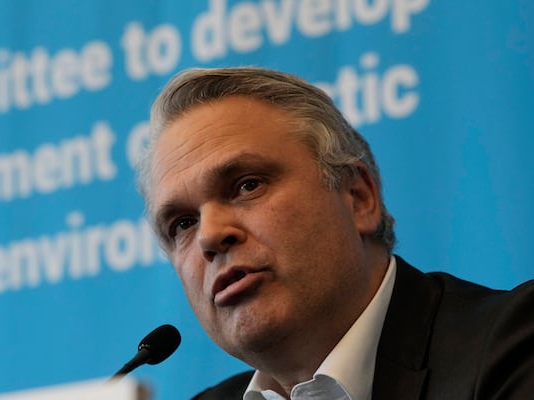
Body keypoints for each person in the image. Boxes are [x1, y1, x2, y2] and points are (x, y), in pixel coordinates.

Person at [137, 67, 534, 400]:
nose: (210, 236)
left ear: (358, 197)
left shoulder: (514, 345)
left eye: (247, 185)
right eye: (183, 224)